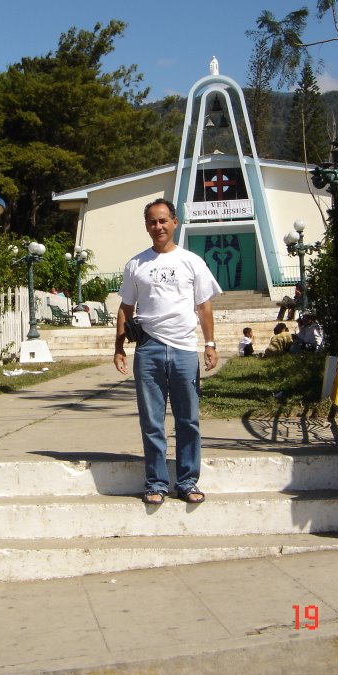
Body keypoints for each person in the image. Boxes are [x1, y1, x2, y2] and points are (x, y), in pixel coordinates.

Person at [114, 199, 222, 505]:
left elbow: (204, 306)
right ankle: (157, 482)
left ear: (175, 222)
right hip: (148, 349)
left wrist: (210, 344)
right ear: (146, 226)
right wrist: (119, 347)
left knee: (188, 419)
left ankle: (187, 481)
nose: (158, 226)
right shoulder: (136, 265)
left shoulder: (192, 262)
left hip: (185, 349)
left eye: (163, 221)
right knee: (152, 421)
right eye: (152, 222)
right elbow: (126, 308)